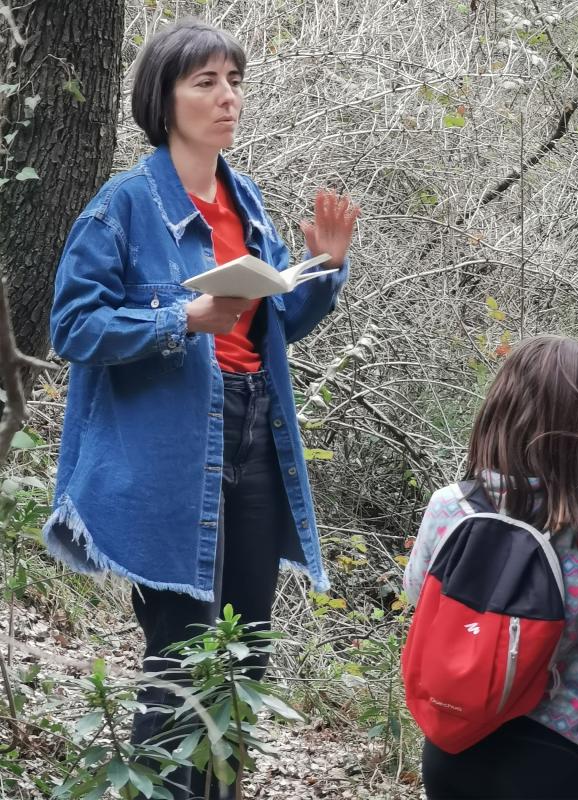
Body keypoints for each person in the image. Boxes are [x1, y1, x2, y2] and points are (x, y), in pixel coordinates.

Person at [43, 19, 359, 799]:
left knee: (243, 653)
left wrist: (323, 271)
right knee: (181, 658)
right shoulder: (123, 206)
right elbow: (71, 326)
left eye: (234, 81)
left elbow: (271, 327)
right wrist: (176, 321)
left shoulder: (244, 202)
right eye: (206, 82)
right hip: (172, 453)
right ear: (165, 97)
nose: (227, 98)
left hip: (255, 432)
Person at [403, 336, 578, 800]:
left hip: (449, 740)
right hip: (550, 754)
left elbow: (418, 596)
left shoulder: (449, 506)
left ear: (500, 409)